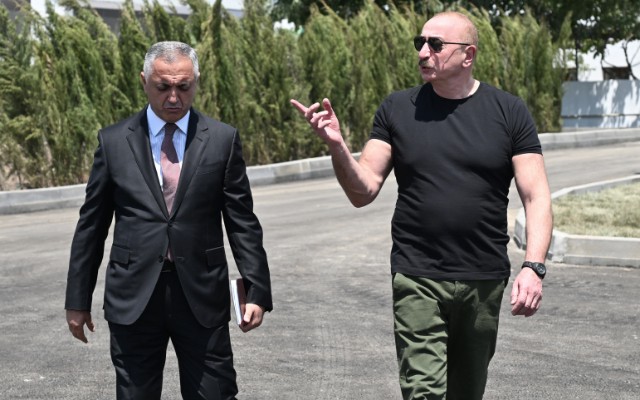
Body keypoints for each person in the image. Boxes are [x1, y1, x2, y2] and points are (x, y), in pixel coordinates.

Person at [291, 11, 552, 400]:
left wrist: (533, 266)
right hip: (417, 275)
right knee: (423, 392)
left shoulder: (508, 111)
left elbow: (536, 195)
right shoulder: (398, 109)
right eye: (420, 43)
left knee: (467, 392)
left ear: (468, 55)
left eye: (436, 44)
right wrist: (337, 146)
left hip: (483, 277)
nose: (423, 52)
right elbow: (363, 190)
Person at [65, 41, 272, 400]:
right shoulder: (113, 142)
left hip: (202, 295)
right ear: (144, 81)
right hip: (134, 297)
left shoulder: (222, 140)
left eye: (184, 86)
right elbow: (91, 226)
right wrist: (77, 299)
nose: (174, 97)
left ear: (196, 82)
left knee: (216, 393)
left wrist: (257, 290)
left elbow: (242, 222)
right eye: (163, 87)